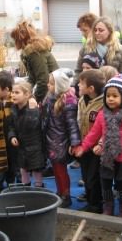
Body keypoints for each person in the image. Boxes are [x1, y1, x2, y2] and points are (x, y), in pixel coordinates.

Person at [74, 77, 122, 218]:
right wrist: (84, 147)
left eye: (115, 96)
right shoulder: (102, 115)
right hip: (107, 157)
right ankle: (108, 206)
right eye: (108, 96)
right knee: (105, 182)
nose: (110, 99)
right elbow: (93, 134)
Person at [42, 69, 81, 207]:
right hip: (51, 140)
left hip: (61, 142)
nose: (48, 85)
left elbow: (72, 125)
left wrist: (74, 142)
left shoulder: (68, 102)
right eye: (48, 83)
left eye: (51, 84)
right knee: (56, 169)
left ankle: (66, 195)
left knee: (61, 170)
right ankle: (60, 192)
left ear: (59, 85)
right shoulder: (50, 97)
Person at [76, 69, 106, 213]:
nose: (78, 85)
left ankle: (96, 205)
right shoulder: (82, 100)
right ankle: (89, 199)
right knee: (85, 175)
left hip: (96, 148)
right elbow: (78, 121)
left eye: (81, 83)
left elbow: (104, 128)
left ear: (91, 89)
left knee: (93, 177)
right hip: (84, 145)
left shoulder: (103, 104)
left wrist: (100, 143)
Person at [10, 20, 59, 103]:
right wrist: (25, 91)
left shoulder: (34, 52)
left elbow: (43, 80)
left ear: (20, 39)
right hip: (49, 88)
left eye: (15, 39)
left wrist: (33, 99)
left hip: (53, 91)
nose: (14, 42)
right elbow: (32, 78)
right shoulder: (29, 51)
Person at [8, 81, 45, 187]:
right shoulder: (14, 108)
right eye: (12, 92)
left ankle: (39, 189)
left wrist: (32, 110)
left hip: (34, 146)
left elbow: (31, 125)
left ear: (27, 94)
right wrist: (12, 136)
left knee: (36, 169)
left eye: (17, 92)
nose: (13, 95)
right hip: (22, 145)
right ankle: (26, 188)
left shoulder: (33, 109)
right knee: (23, 168)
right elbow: (11, 126)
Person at [75, 17, 122, 84]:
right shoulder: (86, 48)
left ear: (110, 31)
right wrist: (73, 86)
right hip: (91, 89)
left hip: (111, 89)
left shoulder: (121, 50)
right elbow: (78, 70)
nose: (97, 33)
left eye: (101, 30)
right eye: (95, 30)